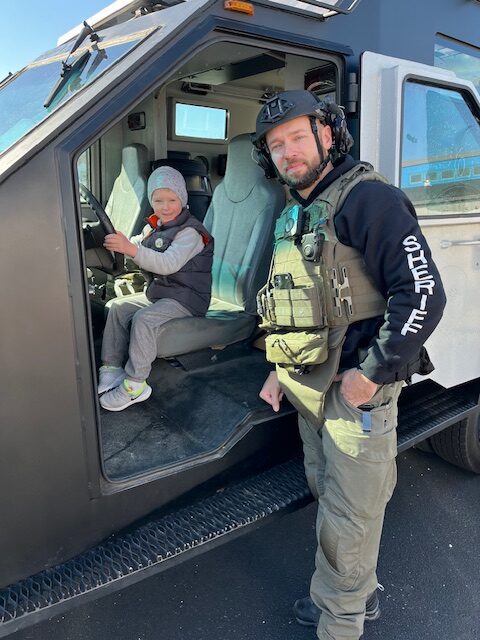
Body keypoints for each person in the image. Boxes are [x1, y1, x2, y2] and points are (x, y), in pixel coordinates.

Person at [252, 90, 446, 640]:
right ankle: (351, 593)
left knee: (350, 514)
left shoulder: (370, 201)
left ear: (326, 134)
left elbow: (424, 295)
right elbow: (290, 298)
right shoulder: (296, 208)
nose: (288, 151)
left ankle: (341, 623)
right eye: (276, 144)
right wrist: (277, 366)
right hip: (305, 384)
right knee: (332, 499)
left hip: (354, 389)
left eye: (296, 136)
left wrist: (372, 374)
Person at [98, 166, 214, 412]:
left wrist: (131, 249)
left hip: (187, 299)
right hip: (163, 294)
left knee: (144, 319)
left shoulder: (190, 233)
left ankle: (135, 384)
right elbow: (139, 246)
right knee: (117, 307)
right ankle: (111, 368)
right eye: (158, 200)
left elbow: (168, 264)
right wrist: (124, 245)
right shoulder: (155, 226)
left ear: (182, 199)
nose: (165, 206)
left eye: (172, 199)